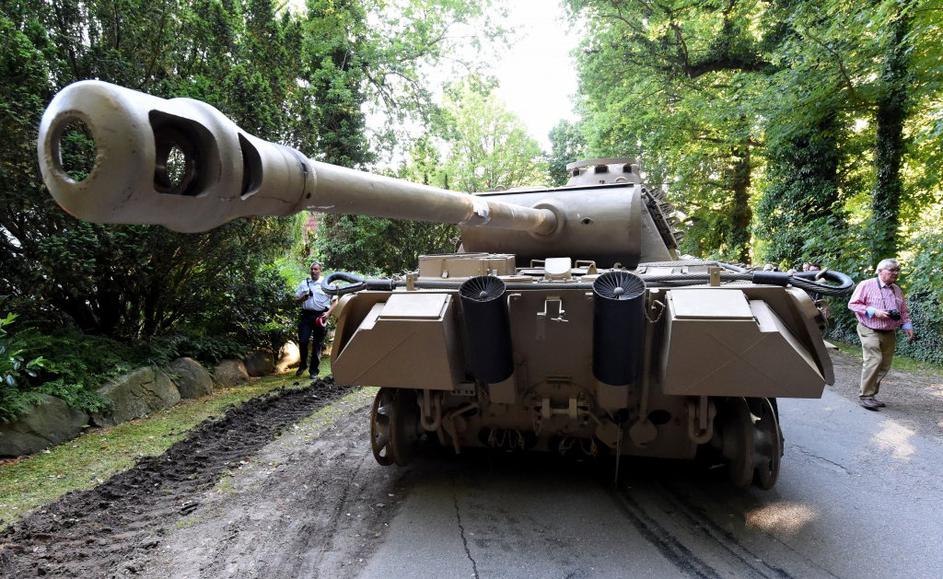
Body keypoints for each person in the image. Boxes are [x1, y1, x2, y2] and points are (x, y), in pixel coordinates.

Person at [847, 258, 915, 410]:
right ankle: (865, 396)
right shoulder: (866, 285)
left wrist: (907, 326)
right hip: (869, 328)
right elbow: (853, 304)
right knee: (874, 360)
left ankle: (871, 394)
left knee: (884, 365)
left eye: (897, 270)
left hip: (889, 331)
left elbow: (903, 311)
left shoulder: (897, 289)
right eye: (892, 270)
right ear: (879, 271)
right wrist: (874, 311)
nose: (895, 273)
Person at [294, 261, 336, 378]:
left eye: (316, 269)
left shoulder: (327, 284)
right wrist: (303, 297)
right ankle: (303, 365)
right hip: (306, 315)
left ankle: (313, 371)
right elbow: (296, 300)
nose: (313, 271)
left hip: (320, 316)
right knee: (303, 341)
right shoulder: (304, 283)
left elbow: (335, 301)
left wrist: (328, 313)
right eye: (312, 269)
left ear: (320, 271)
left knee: (317, 344)